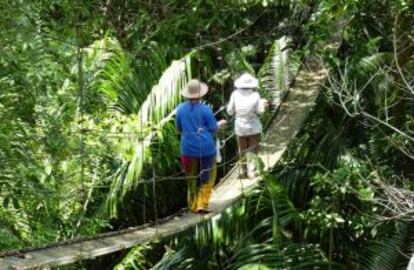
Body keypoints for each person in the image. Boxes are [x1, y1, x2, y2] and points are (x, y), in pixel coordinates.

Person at [176, 79, 227, 214]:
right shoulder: (205, 110)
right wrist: (220, 124)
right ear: (200, 95)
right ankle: (201, 204)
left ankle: (193, 205)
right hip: (206, 149)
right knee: (208, 176)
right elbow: (213, 128)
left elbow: (179, 128)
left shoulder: (180, 109)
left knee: (191, 178)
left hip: (187, 149)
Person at [226, 72, 268, 178]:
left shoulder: (234, 94)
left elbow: (230, 111)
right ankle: (252, 171)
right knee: (253, 150)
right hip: (253, 126)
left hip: (240, 127)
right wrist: (263, 104)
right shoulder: (255, 95)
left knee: (242, 150)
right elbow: (259, 111)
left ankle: (244, 171)